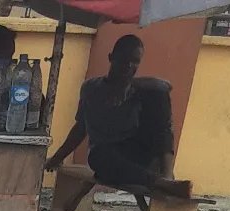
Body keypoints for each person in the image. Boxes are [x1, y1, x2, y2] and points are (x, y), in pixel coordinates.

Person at [45, 34, 190, 199]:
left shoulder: (140, 89)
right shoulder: (91, 88)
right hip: (109, 157)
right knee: (98, 156)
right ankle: (162, 183)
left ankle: (167, 176)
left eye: (135, 61)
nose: (128, 65)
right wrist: (57, 158)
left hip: (138, 153)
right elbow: (80, 128)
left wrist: (127, 85)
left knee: (159, 95)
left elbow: (165, 86)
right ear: (111, 57)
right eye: (123, 59)